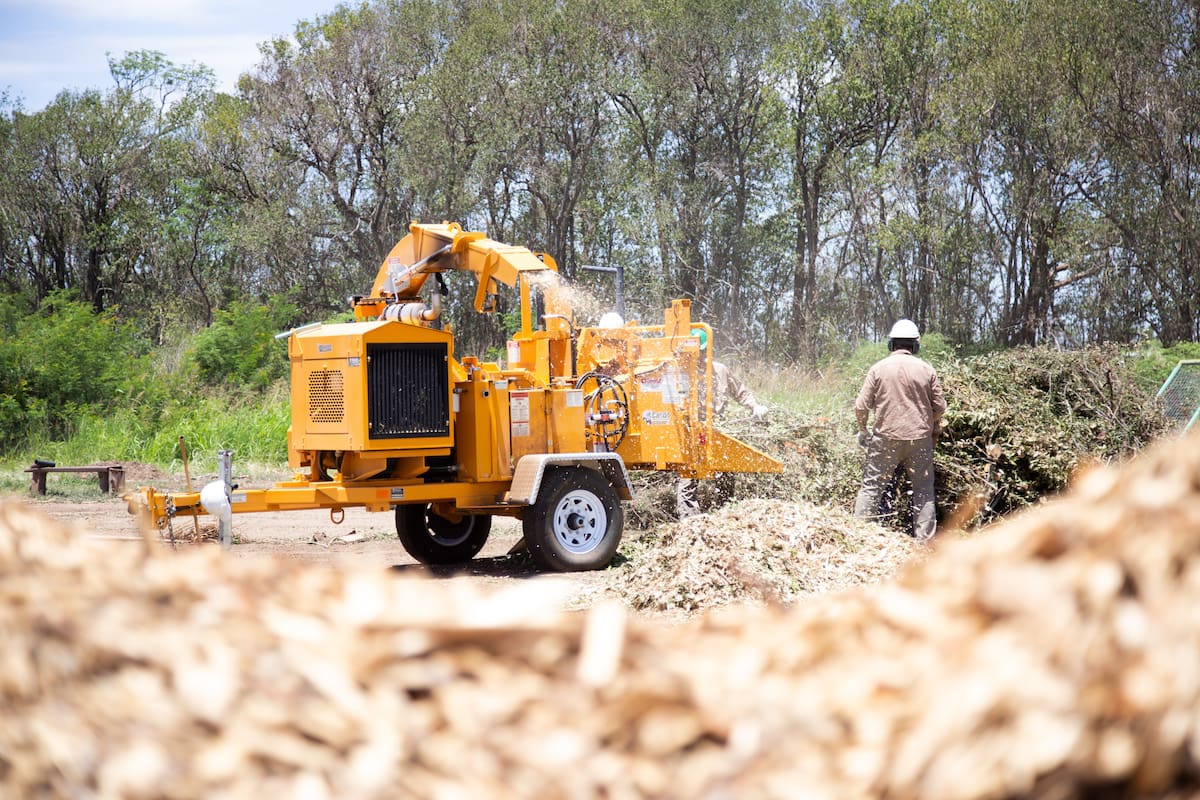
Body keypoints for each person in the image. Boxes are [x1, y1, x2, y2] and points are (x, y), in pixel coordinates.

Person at [853, 318, 946, 540]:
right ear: (915, 345)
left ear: (891, 344)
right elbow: (940, 408)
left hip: (885, 438)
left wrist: (863, 430)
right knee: (923, 492)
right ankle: (924, 544)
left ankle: (856, 536)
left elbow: (860, 406)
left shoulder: (878, 369)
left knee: (871, 487)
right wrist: (928, 423)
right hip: (919, 440)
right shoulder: (926, 369)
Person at [676, 329, 768, 518]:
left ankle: (725, 515)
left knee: (725, 474)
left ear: (708, 349)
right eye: (695, 353)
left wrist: (755, 406)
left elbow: (741, 392)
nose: (699, 356)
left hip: (718, 430)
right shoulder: (681, 372)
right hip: (693, 432)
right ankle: (689, 523)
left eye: (702, 351)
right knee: (689, 478)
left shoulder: (720, 370)